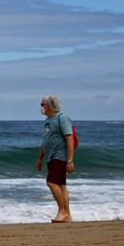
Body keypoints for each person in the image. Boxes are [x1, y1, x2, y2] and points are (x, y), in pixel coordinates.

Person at [36, 94, 76, 223]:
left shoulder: (62, 118)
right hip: (50, 157)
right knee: (61, 185)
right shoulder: (48, 121)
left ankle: (62, 211)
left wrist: (70, 160)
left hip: (60, 156)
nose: (41, 107)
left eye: (43, 104)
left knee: (51, 182)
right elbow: (46, 140)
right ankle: (67, 215)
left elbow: (70, 139)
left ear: (50, 106)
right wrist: (40, 157)